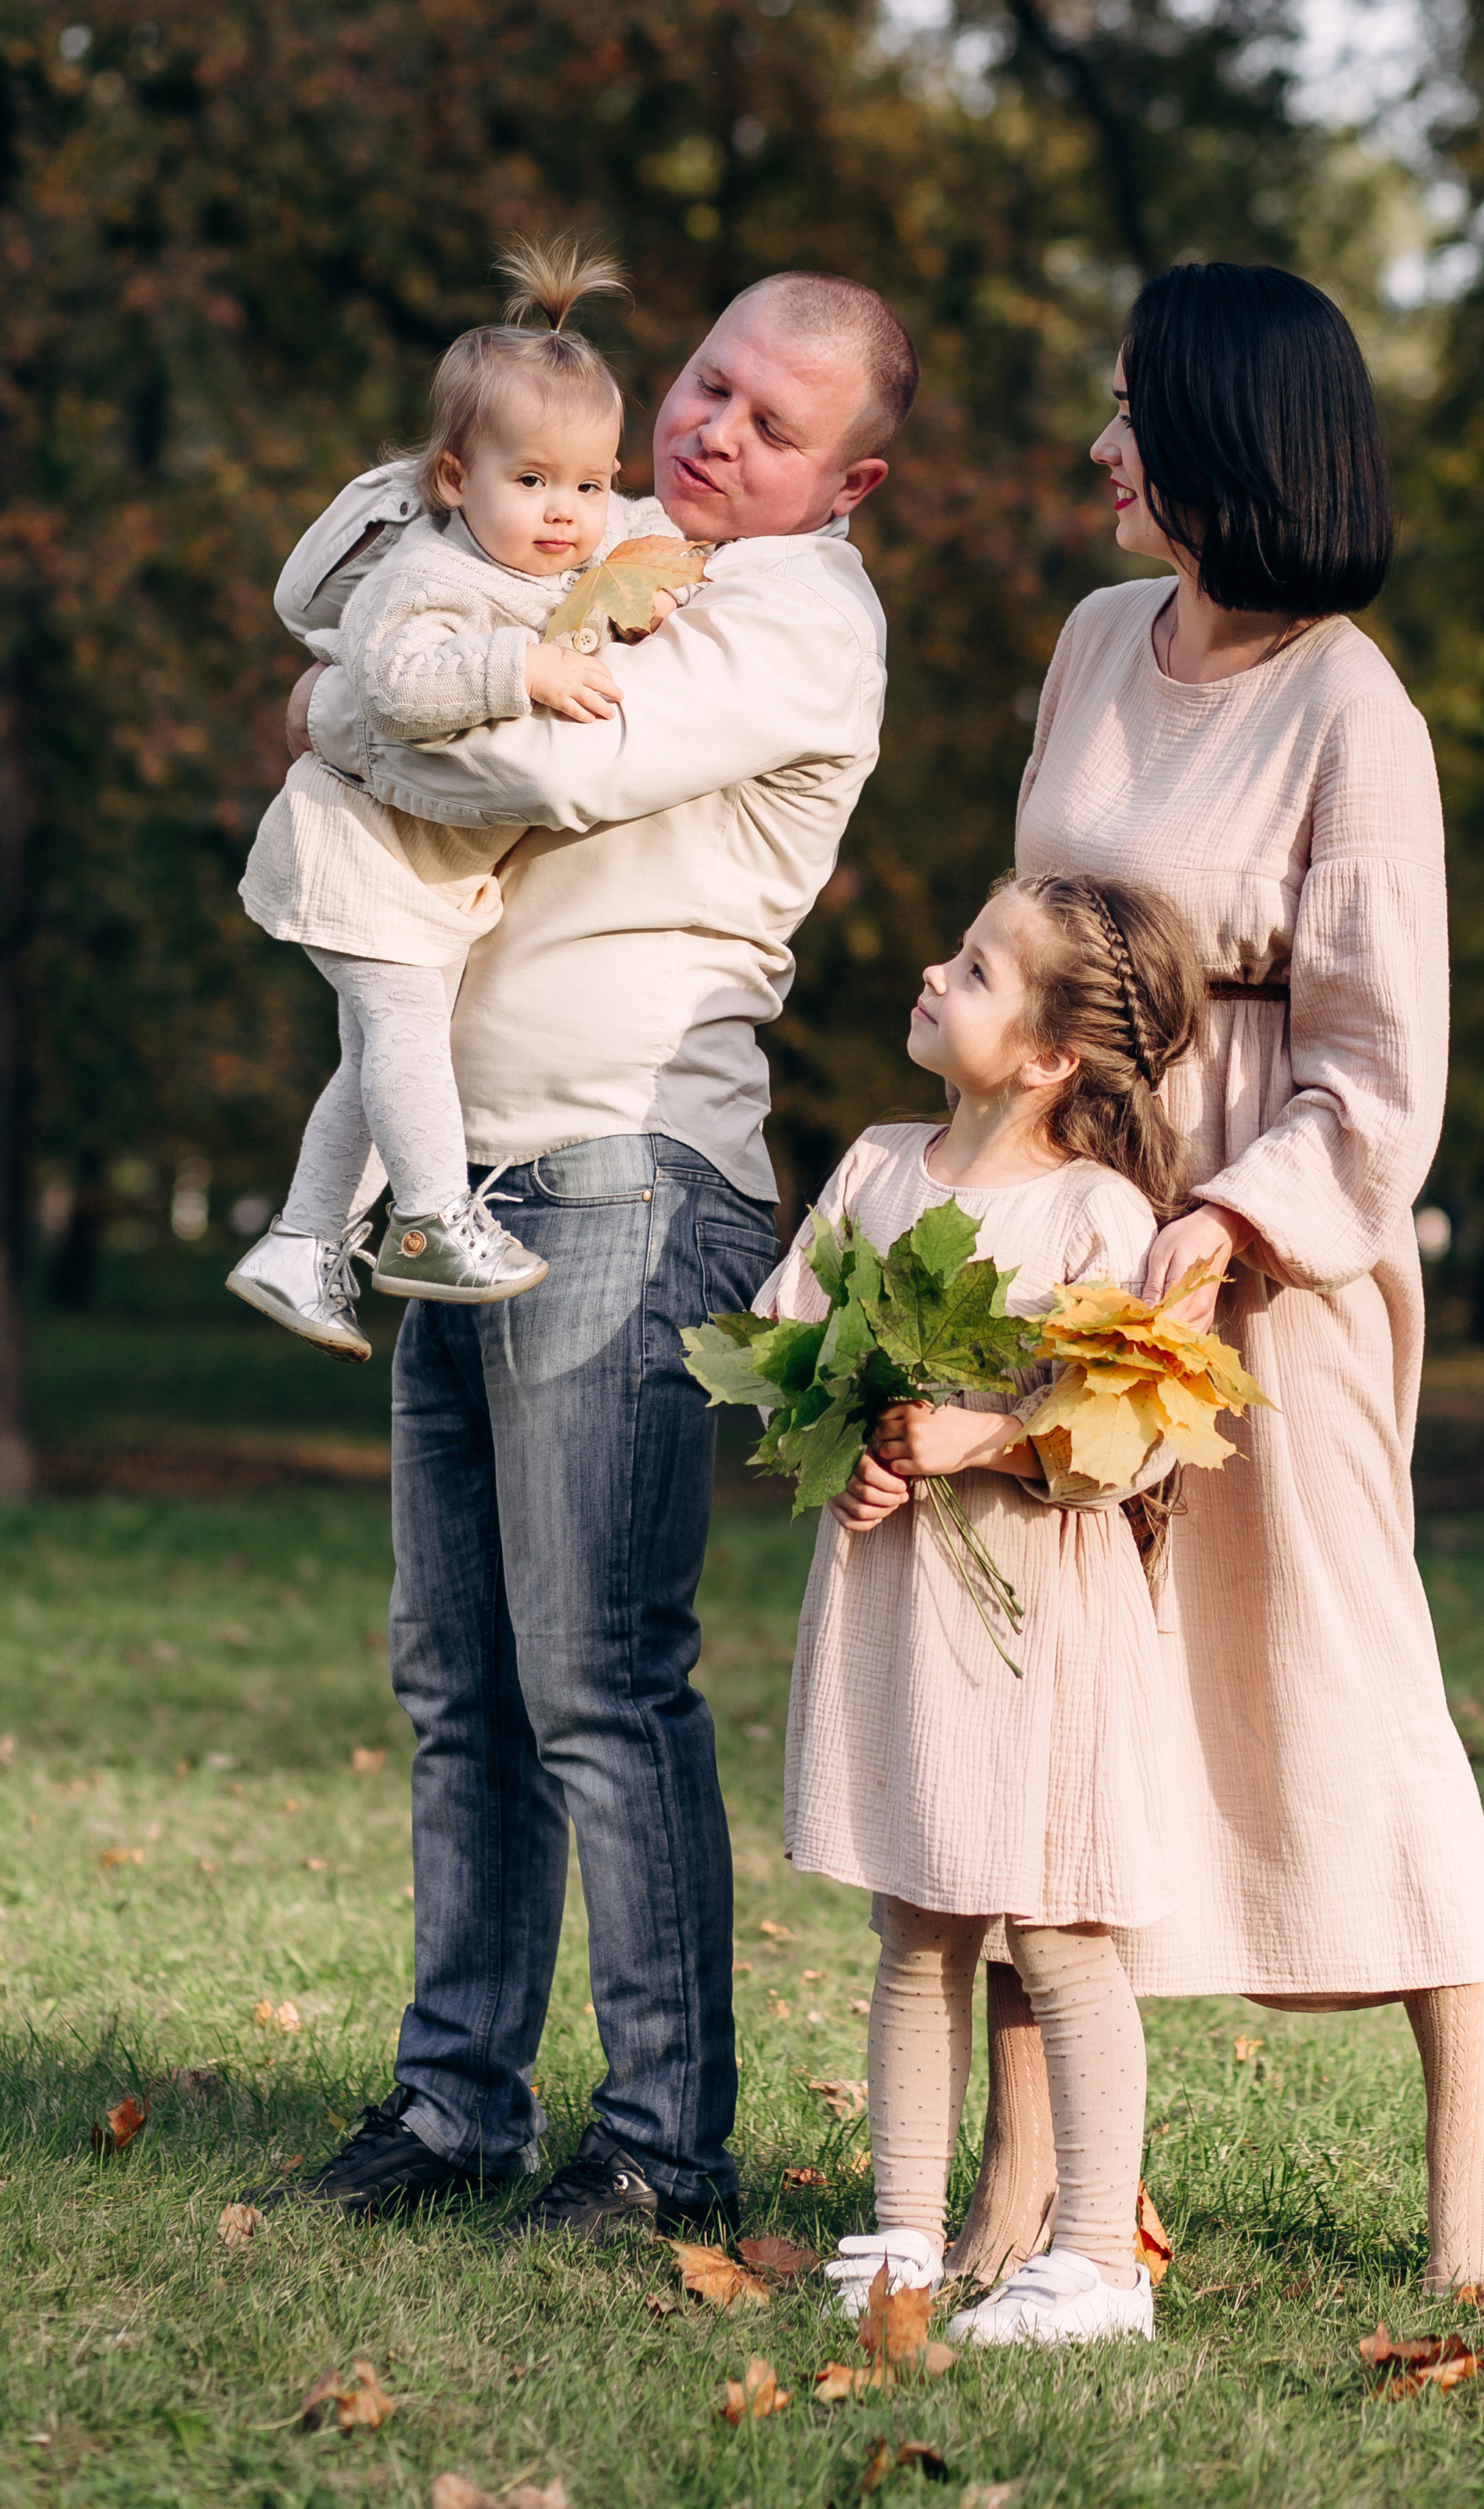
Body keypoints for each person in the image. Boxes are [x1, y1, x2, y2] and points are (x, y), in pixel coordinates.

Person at [246, 272, 916, 2242]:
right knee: (461, 1680)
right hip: (466, 1174)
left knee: (597, 1686)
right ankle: (452, 2111)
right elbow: (374, 618)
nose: (718, 432)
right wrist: (363, 683)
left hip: (627, 1169)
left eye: (774, 426)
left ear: (847, 476)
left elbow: (543, 765)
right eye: (709, 383)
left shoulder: (797, 616)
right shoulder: (606, 550)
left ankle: (657, 2149)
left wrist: (338, 709)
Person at [952, 260, 1484, 2301]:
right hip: (1073, 1235)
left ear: (1225, 441)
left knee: (1337, 1667)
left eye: (1131, 411)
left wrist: (1227, 1229)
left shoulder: (1354, 705)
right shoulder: (1096, 641)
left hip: (1267, 1272)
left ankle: (1467, 2105)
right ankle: (1031, 2156)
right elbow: (1040, 941)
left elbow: (1385, 1068)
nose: (1102, 444)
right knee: (1051, 1682)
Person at [757, 872, 1203, 2347]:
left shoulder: (1095, 1211)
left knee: (1058, 1930)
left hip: (1035, 1625)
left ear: (1047, 1058)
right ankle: (894, 2238)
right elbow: (795, 1343)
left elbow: (1127, 1423)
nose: (934, 974)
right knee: (915, 1924)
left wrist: (976, 1436)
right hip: (900, 1610)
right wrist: (848, 1458)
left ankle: (1095, 2263)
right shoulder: (876, 1169)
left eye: (975, 968)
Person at [231, 238, 695, 1350]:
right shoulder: (430, 572)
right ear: (455, 479)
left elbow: (638, 538)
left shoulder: (563, 550)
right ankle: (432, 1220)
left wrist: (660, 568)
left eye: (588, 484)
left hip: (421, 870)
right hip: (355, 842)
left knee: (381, 1053)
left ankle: (302, 1242)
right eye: (530, 480)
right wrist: (519, 671)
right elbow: (390, 686)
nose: (563, 512)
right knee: (400, 1035)